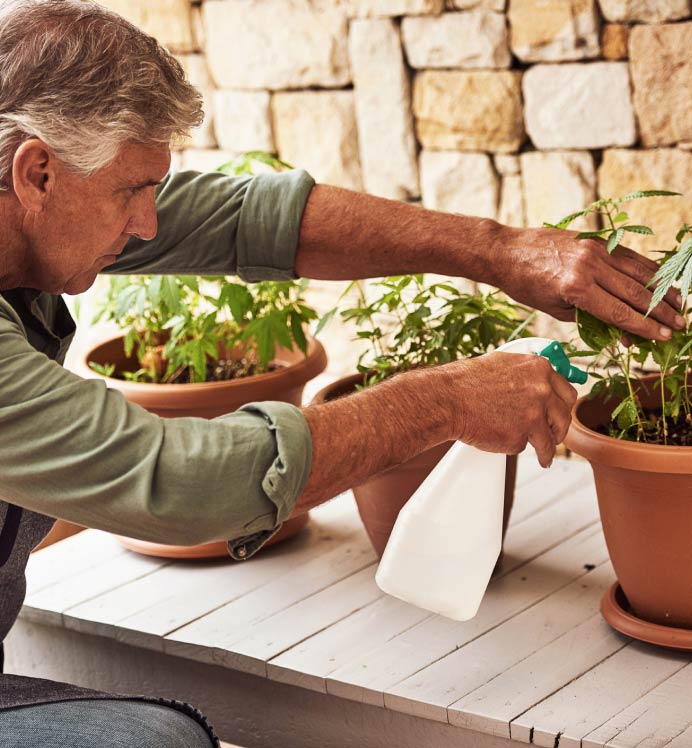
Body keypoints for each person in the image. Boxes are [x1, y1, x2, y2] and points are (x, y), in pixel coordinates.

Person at [0, 1, 684, 746]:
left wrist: (504, 251)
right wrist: (445, 400)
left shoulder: (40, 217)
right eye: (132, 191)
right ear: (35, 173)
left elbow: (249, 219)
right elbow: (180, 483)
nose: (149, 226)